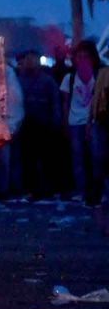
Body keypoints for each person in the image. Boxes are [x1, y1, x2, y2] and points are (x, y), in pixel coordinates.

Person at [61, 39, 105, 205]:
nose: (82, 60)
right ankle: (81, 190)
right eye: (79, 57)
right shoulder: (70, 78)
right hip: (74, 122)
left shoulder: (99, 76)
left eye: (85, 56)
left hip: (94, 121)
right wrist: (65, 122)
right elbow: (65, 101)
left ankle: (96, 190)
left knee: (96, 157)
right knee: (77, 158)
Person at [15, 50, 63, 199]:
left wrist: (55, 121)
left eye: (33, 59)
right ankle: (31, 188)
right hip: (26, 123)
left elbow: (55, 101)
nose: (30, 62)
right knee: (28, 158)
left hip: (44, 123)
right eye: (28, 59)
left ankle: (48, 187)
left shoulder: (47, 80)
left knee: (46, 157)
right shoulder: (20, 79)